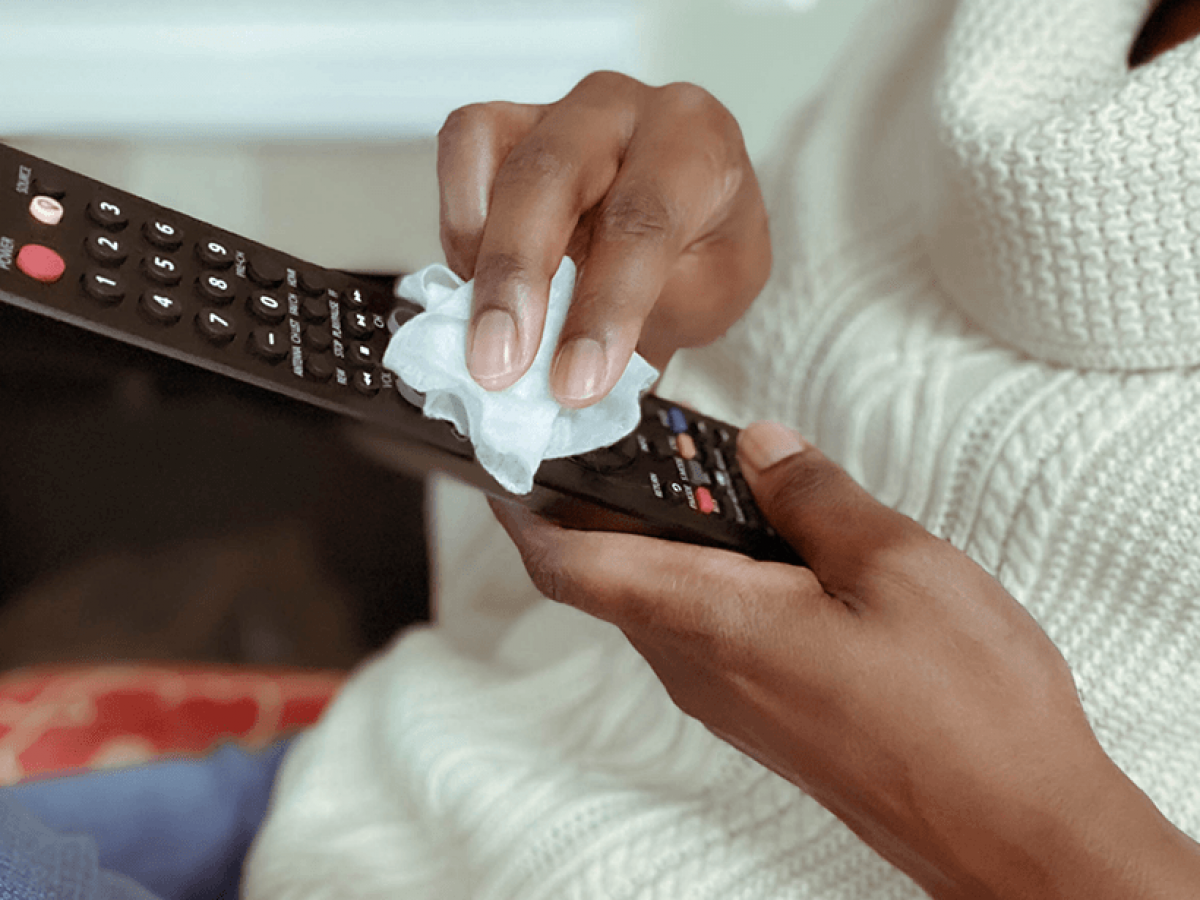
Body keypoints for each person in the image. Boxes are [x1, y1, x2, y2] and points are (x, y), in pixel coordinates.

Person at [242, 0, 1200, 898]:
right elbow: (557, 583)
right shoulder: (959, 29)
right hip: (384, 793)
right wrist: (649, 349)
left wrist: (1029, 838)